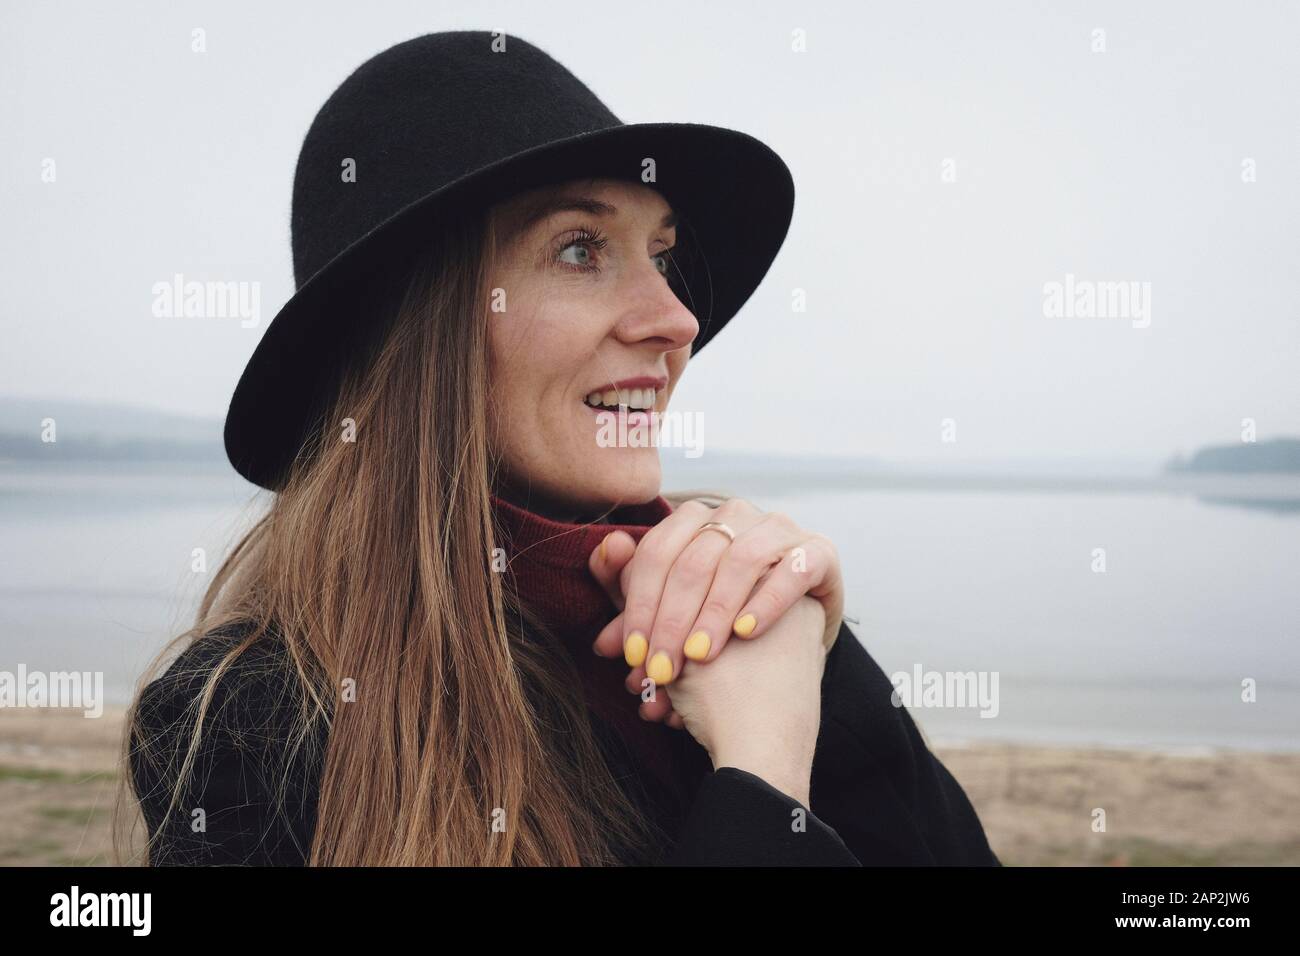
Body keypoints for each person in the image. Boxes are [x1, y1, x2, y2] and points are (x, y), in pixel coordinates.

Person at [123, 31, 999, 867]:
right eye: (581, 250)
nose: (677, 320)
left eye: (663, 254)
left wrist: (820, 675)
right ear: (421, 331)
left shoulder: (744, 621)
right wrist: (763, 773)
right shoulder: (251, 720)